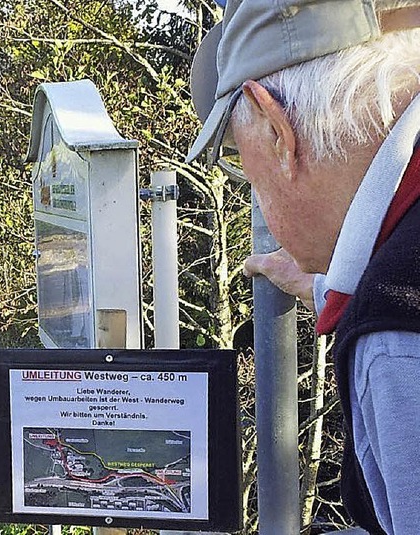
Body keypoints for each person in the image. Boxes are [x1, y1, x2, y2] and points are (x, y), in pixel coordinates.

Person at [186, 1, 420, 533]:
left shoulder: (396, 341)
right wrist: (332, 286)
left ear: (276, 130)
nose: (262, 205)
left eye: (250, 178)